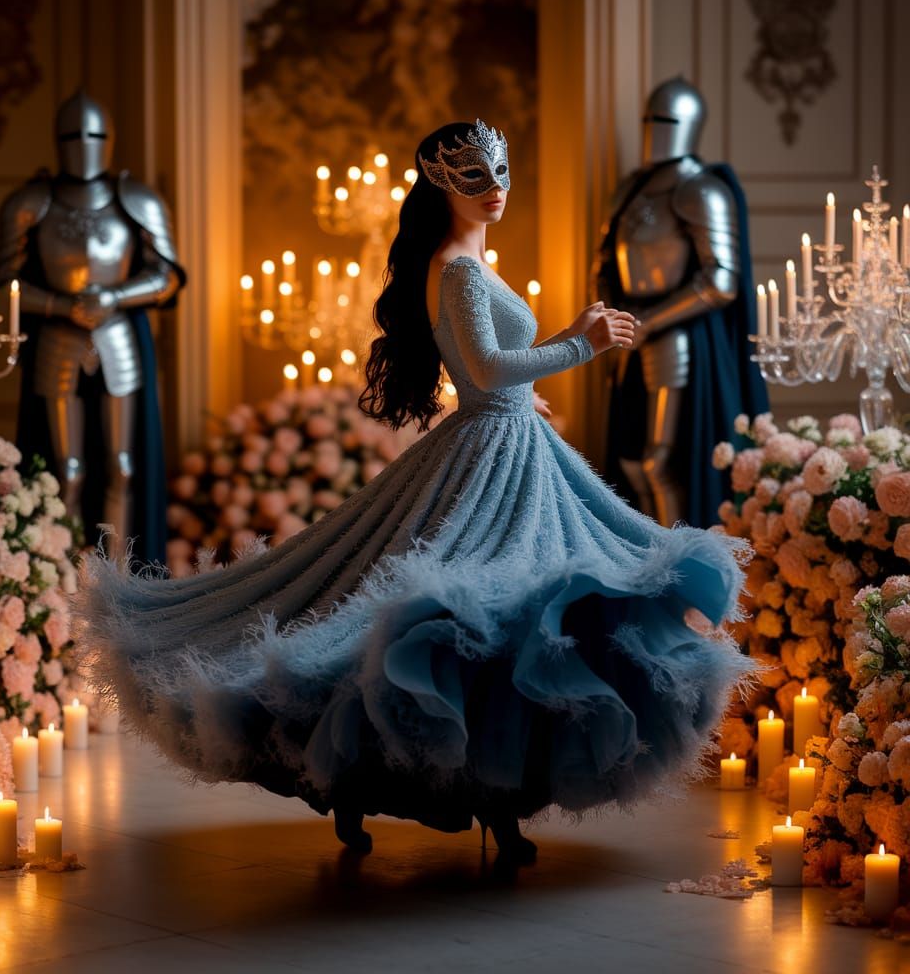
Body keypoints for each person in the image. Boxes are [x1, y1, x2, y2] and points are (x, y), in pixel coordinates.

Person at [76, 120, 761, 866]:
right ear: (441, 184)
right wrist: (580, 341)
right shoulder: (459, 268)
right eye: (474, 178)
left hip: (510, 440)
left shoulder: (469, 260)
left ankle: (496, 790)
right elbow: (491, 366)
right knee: (478, 608)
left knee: (518, 604)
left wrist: (522, 394)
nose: (494, 190)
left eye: (500, 173)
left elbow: (487, 372)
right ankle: (477, 785)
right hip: (488, 450)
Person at [0, 89, 185, 564]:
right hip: (57, 341)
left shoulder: (137, 199)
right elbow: (4, 284)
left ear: (109, 138)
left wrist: (113, 296)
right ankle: (59, 581)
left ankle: (115, 585)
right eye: (74, 134)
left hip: (117, 338)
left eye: (92, 134)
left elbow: (166, 276)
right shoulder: (30, 203)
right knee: (66, 473)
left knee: (122, 468)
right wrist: (63, 305)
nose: (83, 143)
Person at [593, 77, 768, 528]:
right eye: (649, 120)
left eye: (663, 120)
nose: (655, 128)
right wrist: (614, 314)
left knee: (658, 462)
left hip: (677, 335)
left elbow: (722, 279)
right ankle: (651, 557)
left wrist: (650, 319)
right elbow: (604, 263)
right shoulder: (630, 188)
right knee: (630, 462)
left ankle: (678, 564)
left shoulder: (701, 190)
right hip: (627, 333)